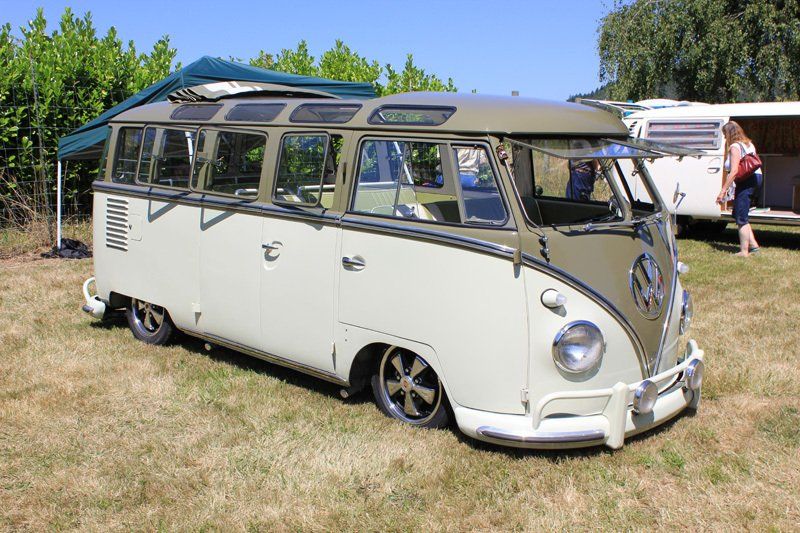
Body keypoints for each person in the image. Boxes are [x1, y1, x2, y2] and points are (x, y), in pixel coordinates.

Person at [716, 121, 761, 256]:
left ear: (729, 133)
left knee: (741, 216)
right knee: (738, 213)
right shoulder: (749, 143)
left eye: (725, 134)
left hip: (746, 181)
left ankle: (744, 251)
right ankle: (754, 246)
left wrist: (723, 190)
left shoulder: (735, 146)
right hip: (755, 178)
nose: (724, 137)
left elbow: (734, 171)